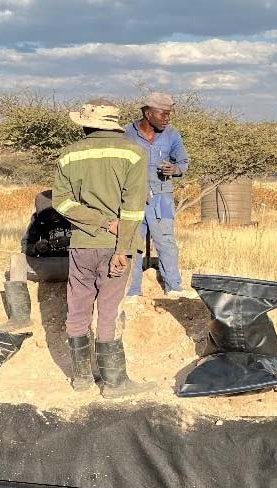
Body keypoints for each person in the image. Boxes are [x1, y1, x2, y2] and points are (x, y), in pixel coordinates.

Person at [51, 99, 156, 398]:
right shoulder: (134, 153)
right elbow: (133, 209)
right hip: (116, 247)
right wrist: (121, 247)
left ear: (86, 125)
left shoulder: (69, 155)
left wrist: (98, 222)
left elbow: (61, 202)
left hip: (81, 244)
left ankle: (81, 379)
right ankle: (114, 383)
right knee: (109, 311)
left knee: (78, 309)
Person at [123, 92, 193, 300]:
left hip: (162, 198)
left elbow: (183, 162)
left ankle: (173, 287)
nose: (167, 118)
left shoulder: (172, 134)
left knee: (166, 242)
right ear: (148, 113)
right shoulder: (127, 133)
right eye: (163, 114)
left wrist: (175, 169)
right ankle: (132, 290)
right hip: (133, 197)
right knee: (132, 242)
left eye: (169, 114)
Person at [0, 189, 72, 333]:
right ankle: (20, 318)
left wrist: (72, 242)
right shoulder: (37, 220)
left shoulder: (76, 217)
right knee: (17, 260)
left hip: (74, 266)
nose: (51, 217)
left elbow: (93, 245)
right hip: (47, 266)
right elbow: (25, 247)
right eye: (47, 214)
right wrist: (36, 248)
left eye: (54, 212)